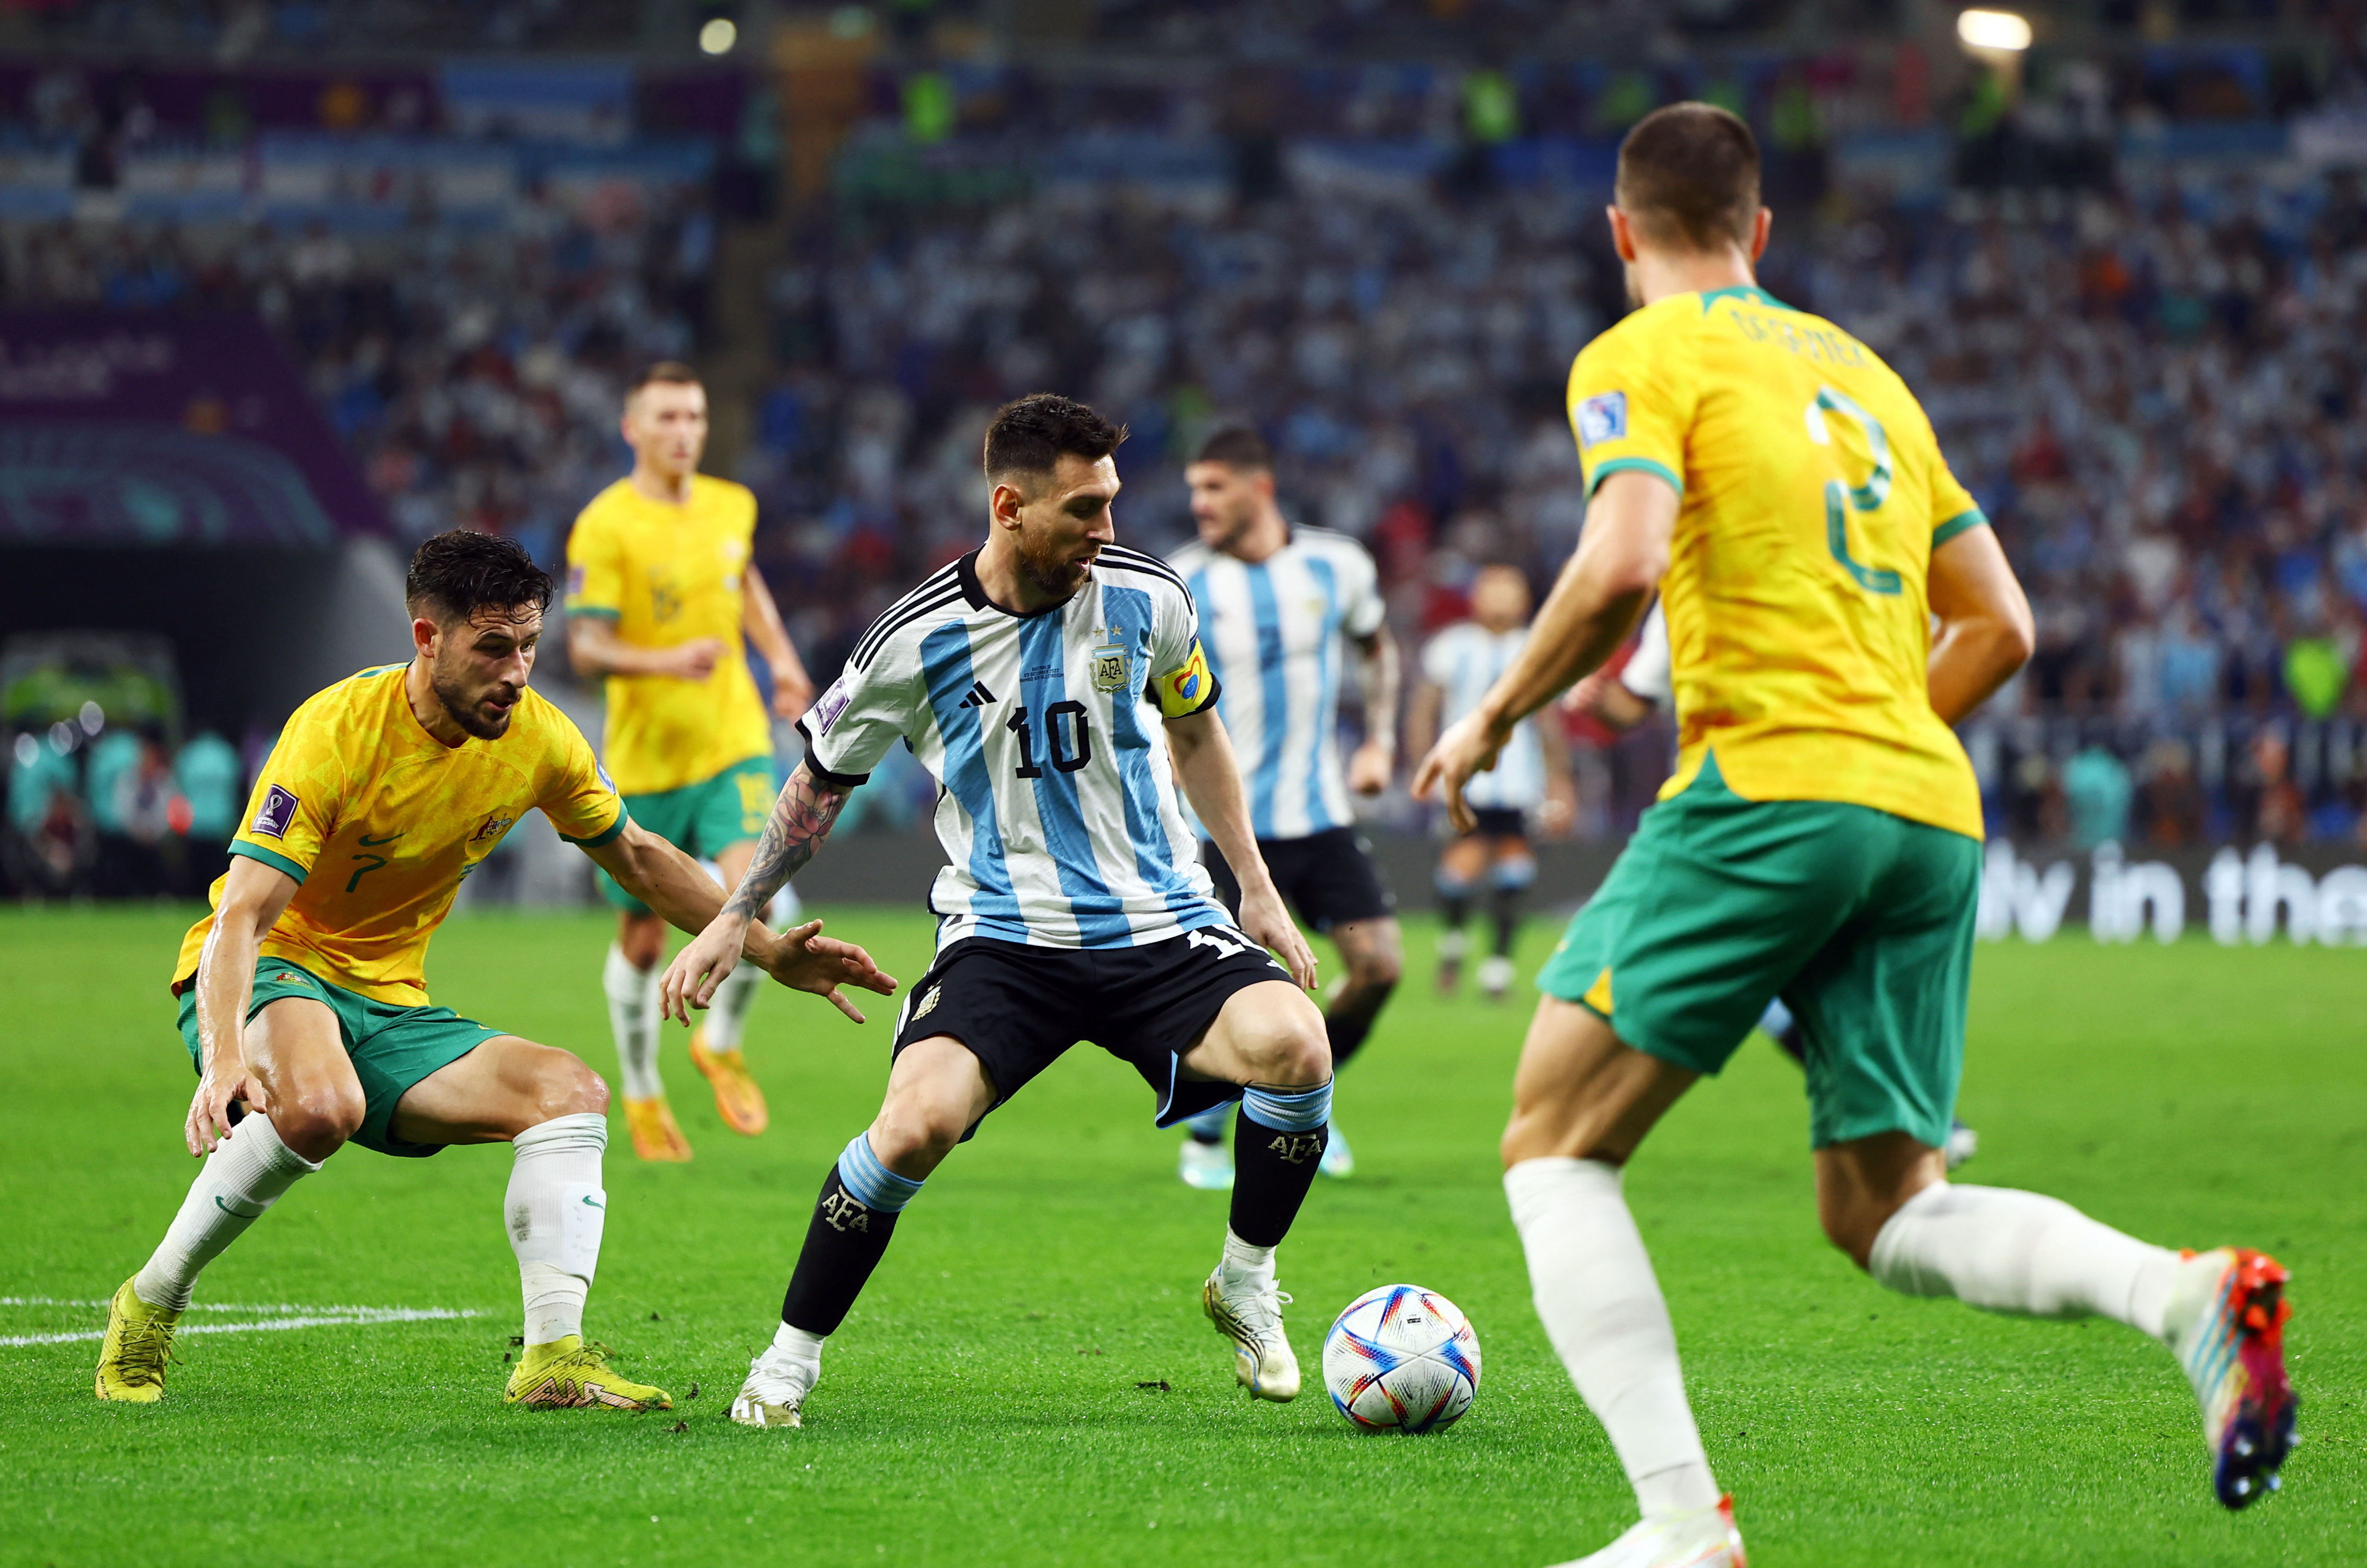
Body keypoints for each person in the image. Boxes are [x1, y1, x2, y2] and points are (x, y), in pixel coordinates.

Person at [1415, 104, 2294, 1568]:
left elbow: (1621, 560)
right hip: (1926, 809)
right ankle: (2185, 1294)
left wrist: (1495, 714)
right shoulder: (1868, 375)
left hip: (1770, 786)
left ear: (1620, 231)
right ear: (1761, 232)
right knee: (1884, 1206)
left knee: (1552, 1143)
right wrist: (1874, 747)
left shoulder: (1641, 351)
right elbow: (2001, 625)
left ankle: (1682, 1526)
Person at [95, 531, 891, 1412]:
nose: (517, 672)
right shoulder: (335, 730)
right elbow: (244, 916)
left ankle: (552, 1358)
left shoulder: (538, 738)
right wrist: (223, 1059)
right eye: (493, 647)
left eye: (530, 646)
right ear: (426, 637)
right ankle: (150, 1303)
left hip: (390, 1001)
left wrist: (770, 950)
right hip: (274, 969)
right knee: (322, 1106)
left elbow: (635, 855)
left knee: (570, 1092)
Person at [659, 395, 1334, 1430]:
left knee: (1297, 1046)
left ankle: (1246, 1277)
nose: (1107, 528)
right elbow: (819, 784)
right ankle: (787, 1360)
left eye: (1111, 502)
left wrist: (1256, 886)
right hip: (1004, 939)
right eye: (1083, 509)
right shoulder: (913, 638)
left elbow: (1197, 732)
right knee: (913, 1127)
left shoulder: (1149, 597)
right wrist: (734, 911)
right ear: (1010, 507)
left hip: (1160, 920)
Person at [1567, 602, 1980, 1171]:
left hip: (1745, 813)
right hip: (1901, 805)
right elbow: (1992, 635)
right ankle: (1918, 1127)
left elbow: (1628, 684)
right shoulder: (1867, 570)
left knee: (1651, 963)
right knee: (1825, 980)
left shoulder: (1697, 574)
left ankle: (1576, 1137)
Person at [567, 362, 819, 1162]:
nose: (684, 432)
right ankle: (642, 1087)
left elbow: (742, 581)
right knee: (643, 943)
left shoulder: (729, 504)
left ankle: (721, 1041)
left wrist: (781, 659)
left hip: (731, 743)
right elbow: (585, 645)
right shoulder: (604, 525)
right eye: (668, 417)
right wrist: (665, 660)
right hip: (644, 763)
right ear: (632, 428)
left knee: (758, 900)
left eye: (695, 417)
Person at [1164, 425, 1401, 1189]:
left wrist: (1380, 741)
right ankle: (1209, 1127)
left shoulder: (1338, 565)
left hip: (1320, 814)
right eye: (1195, 489)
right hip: (1220, 829)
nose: (1200, 503)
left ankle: (1302, 1095)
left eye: (1214, 487)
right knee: (1232, 994)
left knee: (1379, 966)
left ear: (1259, 488)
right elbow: (1150, 694)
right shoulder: (1182, 581)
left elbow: (1376, 648)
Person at [1407, 563, 1575, 1001]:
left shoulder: (1535, 646)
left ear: (1524, 600)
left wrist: (1560, 780)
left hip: (1519, 784)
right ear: (1476, 597)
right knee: (1458, 871)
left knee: (1515, 871)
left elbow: (1548, 721)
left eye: (1510, 590)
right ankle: (1454, 943)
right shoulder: (1451, 646)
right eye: (1493, 590)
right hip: (1464, 780)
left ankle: (1497, 968)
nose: (1501, 599)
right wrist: (1423, 764)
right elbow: (1425, 709)